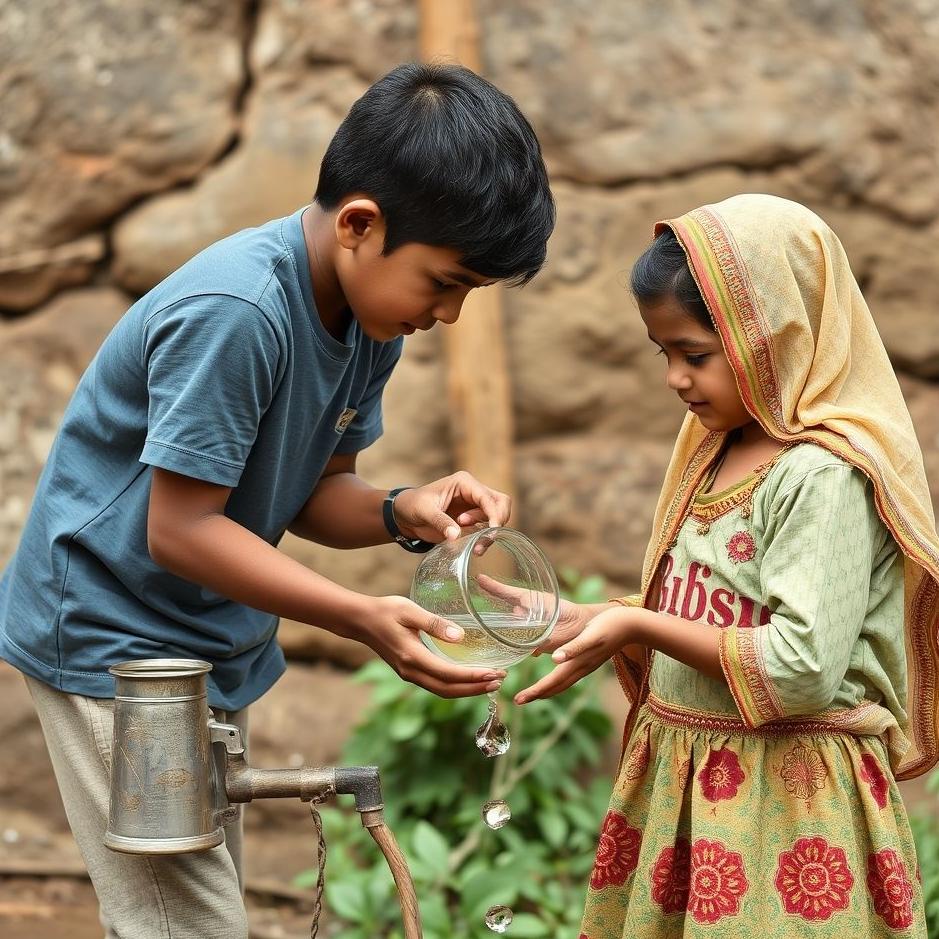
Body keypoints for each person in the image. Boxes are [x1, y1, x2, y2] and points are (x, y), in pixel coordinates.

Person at [0, 62, 554, 938]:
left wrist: (398, 509)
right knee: (189, 922)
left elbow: (314, 491)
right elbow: (181, 530)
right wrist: (359, 617)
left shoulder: (367, 320)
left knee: (176, 911)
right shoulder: (241, 310)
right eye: (446, 282)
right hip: (112, 634)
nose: (448, 314)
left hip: (198, 635)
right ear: (360, 224)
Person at [514, 194, 937, 936]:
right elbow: (716, 603)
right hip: (689, 787)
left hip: (790, 808)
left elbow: (802, 666)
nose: (675, 378)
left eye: (695, 354)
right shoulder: (711, 449)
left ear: (777, 337)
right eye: (664, 353)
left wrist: (638, 622)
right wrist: (607, 617)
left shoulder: (821, 475)